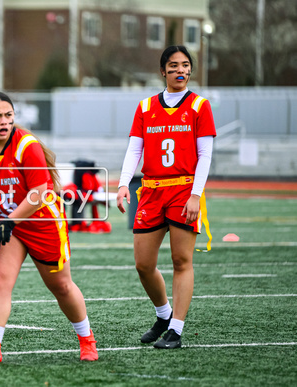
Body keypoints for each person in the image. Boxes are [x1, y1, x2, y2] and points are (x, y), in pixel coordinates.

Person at [0, 91, 98, 364]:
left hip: (41, 222)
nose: (4, 122)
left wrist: (9, 221)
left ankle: (87, 340)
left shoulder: (26, 145)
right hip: (5, 224)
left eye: (8, 115)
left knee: (60, 286)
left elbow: (38, 192)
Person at [116, 45, 216, 349]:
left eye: (185, 65)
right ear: (163, 71)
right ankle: (163, 315)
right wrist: (122, 184)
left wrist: (196, 195)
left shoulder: (200, 106)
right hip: (151, 190)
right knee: (143, 264)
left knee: (180, 260)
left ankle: (176, 329)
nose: (180, 71)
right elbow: (135, 148)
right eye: (173, 66)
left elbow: (205, 154)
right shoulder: (146, 107)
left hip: (184, 190)